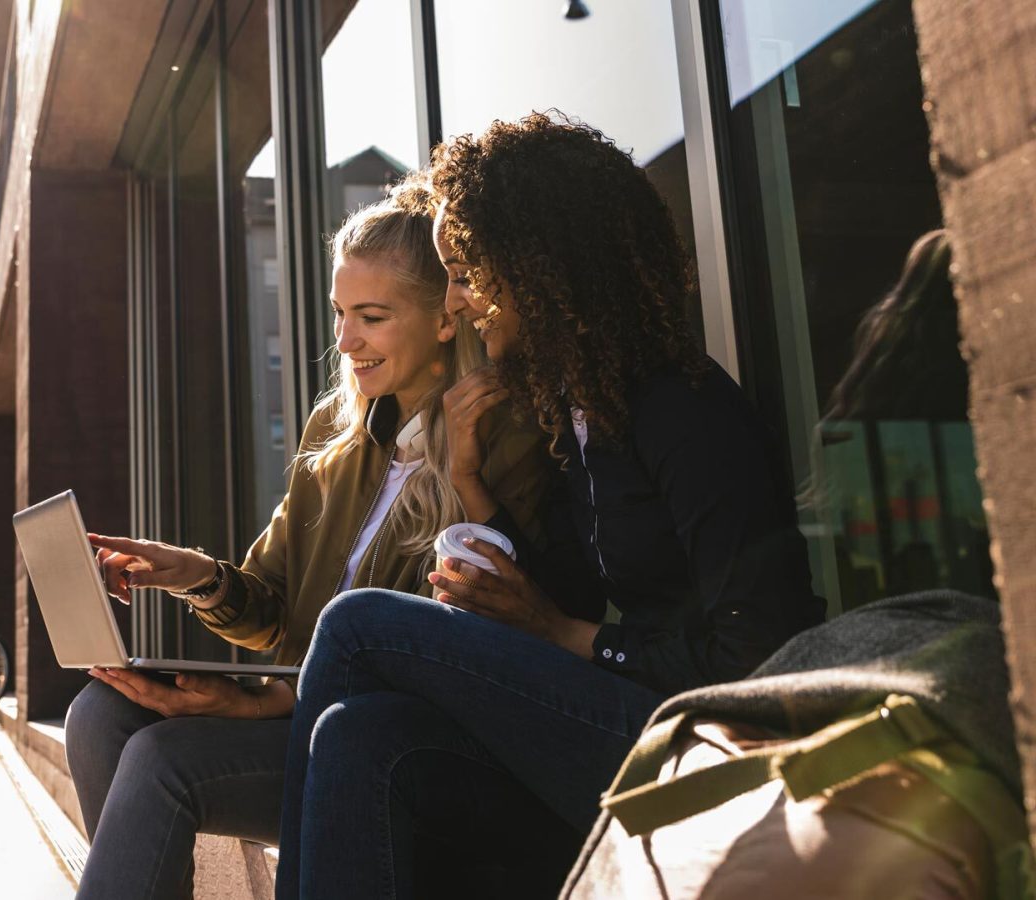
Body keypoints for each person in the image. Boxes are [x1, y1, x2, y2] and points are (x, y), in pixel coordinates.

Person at [274, 113, 824, 899]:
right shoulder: (578, 410)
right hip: (615, 722)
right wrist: (469, 483)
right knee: (361, 736)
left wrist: (571, 635)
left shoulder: (682, 408)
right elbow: (555, 593)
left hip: (705, 745)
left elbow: (758, 651)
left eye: (467, 274)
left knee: (356, 624)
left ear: (538, 267)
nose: (458, 304)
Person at [64, 177, 553, 900]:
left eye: (372, 317)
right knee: (98, 713)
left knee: (162, 758)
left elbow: (446, 661)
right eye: (340, 314)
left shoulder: (506, 441)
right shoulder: (339, 432)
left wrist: (257, 705)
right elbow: (272, 608)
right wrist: (191, 573)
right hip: (293, 715)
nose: (346, 341)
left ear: (445, 319)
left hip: (378, 742)